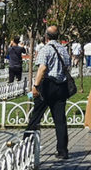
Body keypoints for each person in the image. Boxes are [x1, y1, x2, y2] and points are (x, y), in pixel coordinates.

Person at [24, 25, 71, 159]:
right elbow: (68, 66)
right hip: (61, 86)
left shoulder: (46, 49)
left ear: (46, 37)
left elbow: (42, 69)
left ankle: (26, 146)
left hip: (47, 85)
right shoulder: (64, 50)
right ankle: (62, 150)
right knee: (60, 119)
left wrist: (35, 85)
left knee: (36, 116)